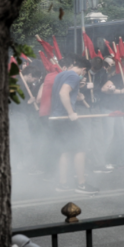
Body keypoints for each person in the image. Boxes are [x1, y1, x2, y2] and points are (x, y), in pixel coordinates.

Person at [48, 57, 97, 194]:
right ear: (84, 70)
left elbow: (64, 92)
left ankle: (62, 184)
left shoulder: (61, 75)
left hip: (57, 118)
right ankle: (81, 184)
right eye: (83, 74)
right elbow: (63, 93)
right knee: (80, 148)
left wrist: (77, 96)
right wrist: (71, 113)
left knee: (66, 151)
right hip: (65, 118)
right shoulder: (74, 75)